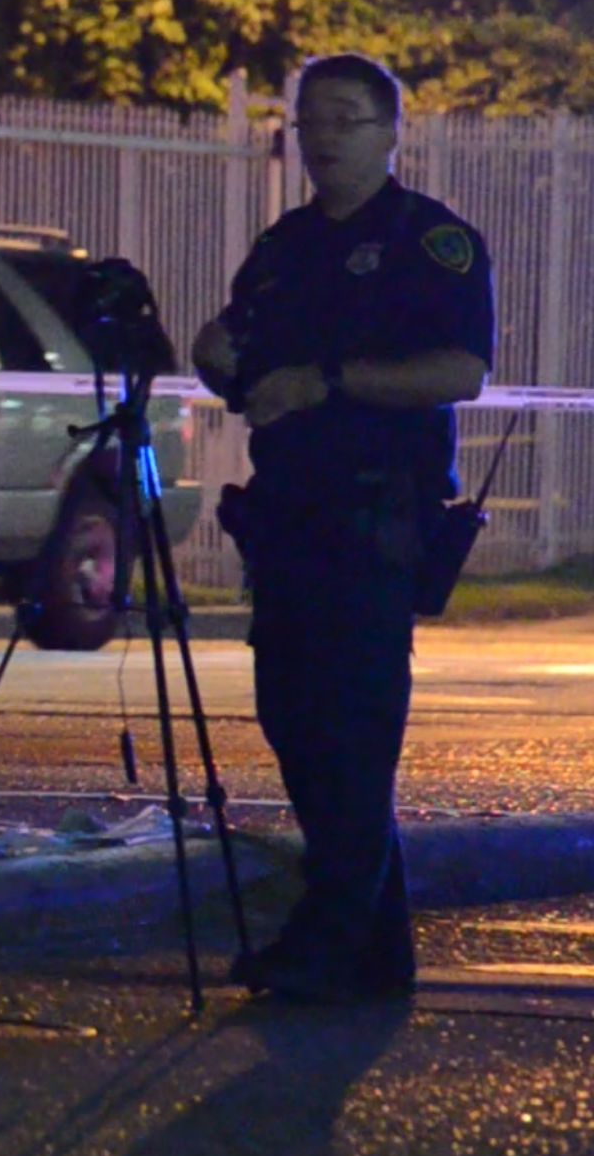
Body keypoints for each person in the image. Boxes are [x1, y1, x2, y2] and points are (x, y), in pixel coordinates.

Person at [193, 54, 495, 1002]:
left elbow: (458, 371)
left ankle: (325, 944)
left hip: (376, 517)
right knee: (293, 719)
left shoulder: (431, 243)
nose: (321, 136)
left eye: (345, 119)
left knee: (351, 734)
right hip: (289, 517)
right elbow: (240, 352)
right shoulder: (283, 248)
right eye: (309, 119)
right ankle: (376, 946)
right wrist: (218, 358)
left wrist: (330, 381)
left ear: (389, 133)